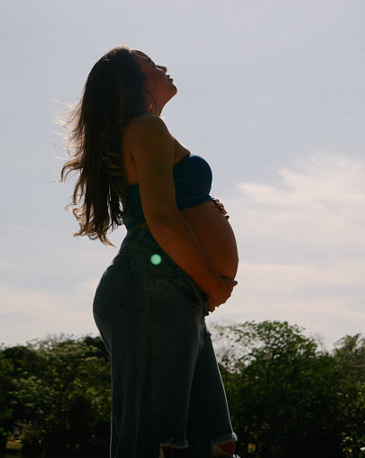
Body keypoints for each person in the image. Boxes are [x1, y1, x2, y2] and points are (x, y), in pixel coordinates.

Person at [61, 46, 240, 458]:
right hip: (152, 284)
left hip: (172, 291)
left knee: (216, 444)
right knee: (159, 444)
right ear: (133, 83)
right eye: (151, 64)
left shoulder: (146, 130)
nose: (163, 66)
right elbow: (160, 218)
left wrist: (204, 207)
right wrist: (213, 283)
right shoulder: (144, 128)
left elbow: (163, 205)